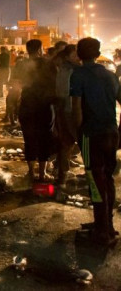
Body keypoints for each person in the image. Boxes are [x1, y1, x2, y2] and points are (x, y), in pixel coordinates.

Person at [70, 37, 121, 246]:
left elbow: (77, 109)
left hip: (91, 134)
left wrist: (77, 134)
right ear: (98, 53)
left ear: (79, 54)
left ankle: (101, 231)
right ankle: (106, 224)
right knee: (107, 177)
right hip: (111, 132)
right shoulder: (110, 75)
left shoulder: (78, 74)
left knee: (94, 178)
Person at [14, 39, 56, 181]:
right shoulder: (48, 64)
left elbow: (15, 85)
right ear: (40, 49)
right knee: (45, 138)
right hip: (45, 106)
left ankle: (31, 172)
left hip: (27, 105)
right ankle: (43, 173)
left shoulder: (21, 64)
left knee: (29, 138)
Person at [54, 45, 80, 187]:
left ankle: (62, 178)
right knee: (75, 144)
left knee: (66, 145)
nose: (77, 57)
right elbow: (65, 93)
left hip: (65, 110)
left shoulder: (64, 68)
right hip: (72, 112)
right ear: (67, 56)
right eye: (74, 55)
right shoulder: (71, 70)